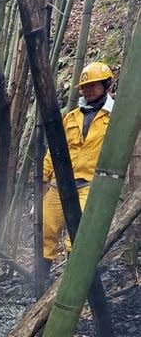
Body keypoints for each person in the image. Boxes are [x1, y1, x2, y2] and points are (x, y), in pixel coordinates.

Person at [42, 61, 114, 271]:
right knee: (46, 227)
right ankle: (41, 282)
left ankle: (73, 283)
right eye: (84, 86)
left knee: (79, 233)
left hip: (90, 184)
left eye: (92, 85)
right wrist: (44, 176)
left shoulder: (115, 117)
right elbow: (54, 148)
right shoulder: (71, 117)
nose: (87, 90)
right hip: (60, 183)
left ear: (106, 84)